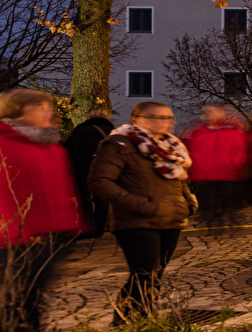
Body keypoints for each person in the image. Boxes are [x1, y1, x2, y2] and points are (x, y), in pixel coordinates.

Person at [88, 99, 196, 322]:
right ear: (135, 120)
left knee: (155, 275)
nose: (161, 122)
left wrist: (188, 201)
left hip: (171, 218)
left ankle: (144, 319)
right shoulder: (119, 144)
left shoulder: (171, 146)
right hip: (137, 221)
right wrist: (140, 204)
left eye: (166, 117)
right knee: (143, 275)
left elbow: (179, 179)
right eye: (153, 117)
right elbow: (100, 182)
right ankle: (126, 321)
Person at [0, 89, 86, 331]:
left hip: (52, 235)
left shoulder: (51, 144)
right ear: (19, 112)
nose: (49, 113)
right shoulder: (3, 141)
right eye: (41, 107)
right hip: (14, 238)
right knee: (14, 303)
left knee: (34, 300)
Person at [183, 106, 252, 228]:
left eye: (212, 112)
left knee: (228, 202)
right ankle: (212, 223)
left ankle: (229, 223)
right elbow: (195, 152)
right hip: (206, 174)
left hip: (226, 173)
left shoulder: (231, 130)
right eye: (206, 113)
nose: (208, 115)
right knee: (208, 203)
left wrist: (235, 165)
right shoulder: (199, 132)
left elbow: (238, 150)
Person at [63, 110, 114, 237]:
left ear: (88, 116)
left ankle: (88, 227)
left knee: (84, 198)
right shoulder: (113, 132)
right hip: (105, 168)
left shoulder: (82, 130)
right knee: (101, 199)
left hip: (83, 168)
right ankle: (100, 228)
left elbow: (70, 149)